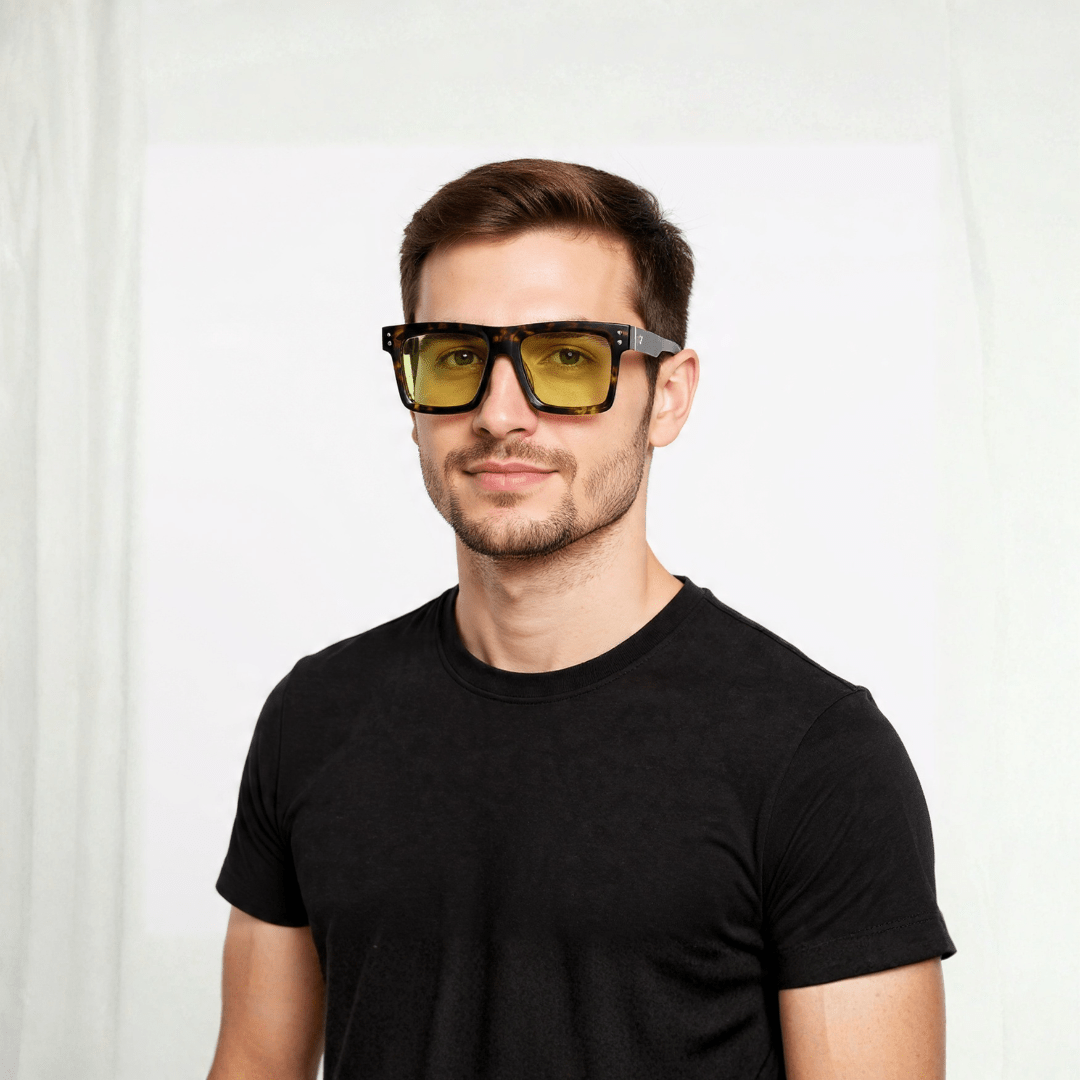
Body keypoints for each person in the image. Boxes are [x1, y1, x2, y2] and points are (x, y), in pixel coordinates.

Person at [208, 158, 954, 1080]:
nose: (500, 414)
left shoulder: (815, 755)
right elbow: (253, 1064)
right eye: (456, 357)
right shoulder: (316, 717)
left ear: (667, 395)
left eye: (568, 359)